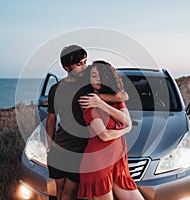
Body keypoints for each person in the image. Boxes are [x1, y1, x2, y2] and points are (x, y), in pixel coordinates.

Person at [45, 45, 128, 200]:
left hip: (80, 149)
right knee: (59, 193)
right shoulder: (55, 89)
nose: (84, 66)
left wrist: (99, 99)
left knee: (69, 194)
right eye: (79, 64)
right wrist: (49, 147)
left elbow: (123, 96)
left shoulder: (88, 84)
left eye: (85, 61)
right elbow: (51, 120)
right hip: (60, 148)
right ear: (66, 67)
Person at [77, 61, 145, 200]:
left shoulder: (116, 99)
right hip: (98, 163)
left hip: (118, 162)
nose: (97, 80)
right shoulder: (88, 103)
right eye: (94, 76)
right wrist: (126, 130)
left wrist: (101, 103)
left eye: (101, 76)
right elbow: (104, 135)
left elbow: (127, 120)